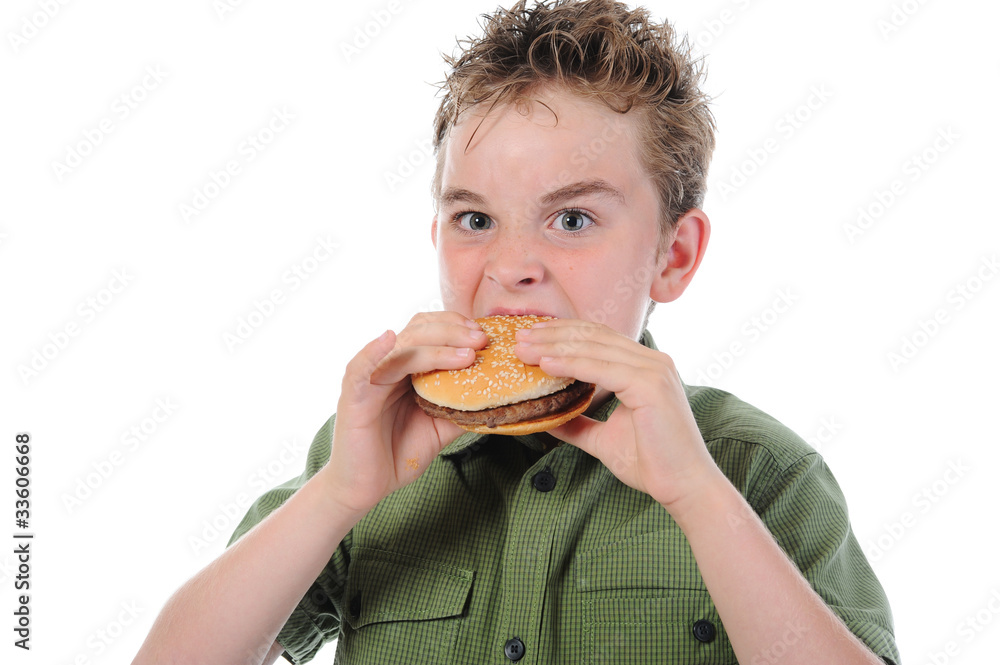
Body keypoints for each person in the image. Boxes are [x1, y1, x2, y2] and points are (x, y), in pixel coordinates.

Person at [133, 1, 900, 663]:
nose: (511, 267)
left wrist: (699, 496)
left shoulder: (759, 470)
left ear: (674, 255)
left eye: (571, 218)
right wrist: (339, 493)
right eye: (475, 219)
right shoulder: (364, 457)